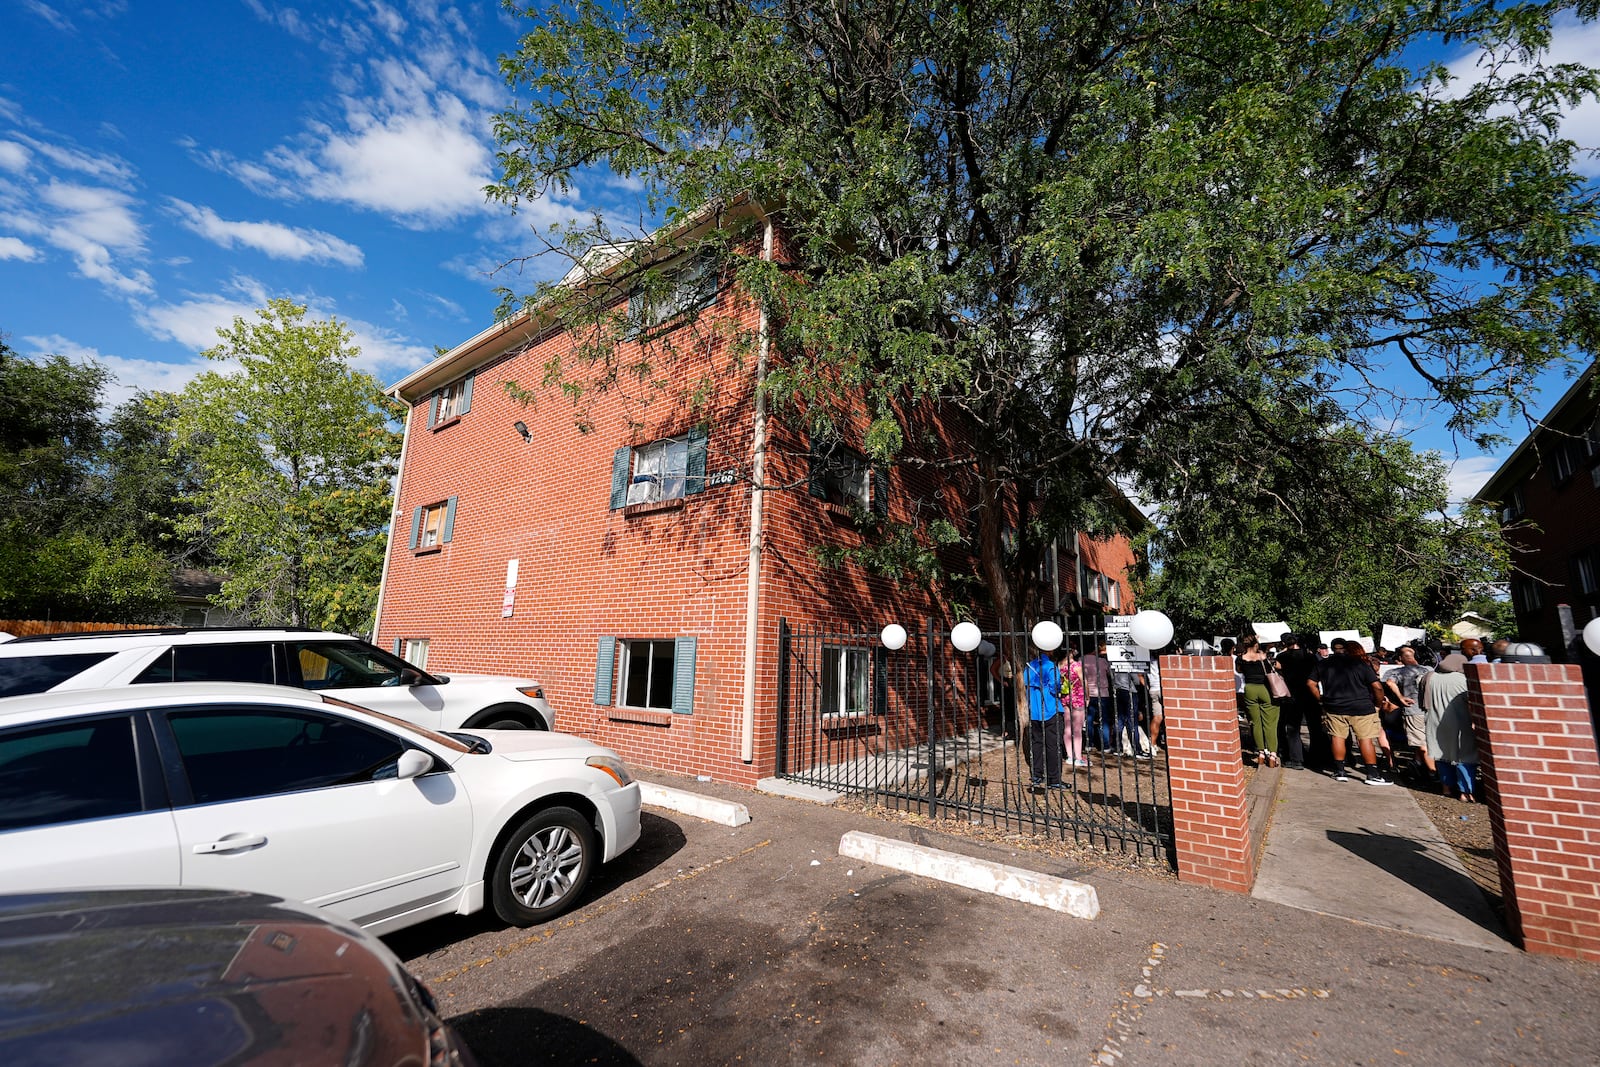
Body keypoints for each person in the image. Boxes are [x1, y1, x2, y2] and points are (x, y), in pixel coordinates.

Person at [1308, 639, 1391, 785]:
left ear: (1332, 648)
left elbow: (1310, 683)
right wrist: (1377, 704)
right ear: (1346, 648)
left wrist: (1321, 700)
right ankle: (1372, 774)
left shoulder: (1323, 664)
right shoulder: (1359, 664)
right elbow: (1377, 687)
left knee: (1337, 737)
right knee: (1365, 739)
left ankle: (1340, 771)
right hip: (1362, 707)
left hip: (1334, 706)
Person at [1422, 653, 1478, 801]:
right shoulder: (1465, 680)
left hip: (1435, 723)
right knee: (1465, 757)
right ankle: (1465, 793)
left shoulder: (1430, 677)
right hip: (1461, 724)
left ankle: (1446, 788)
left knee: (1442, 755)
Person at [1388, 645, 1435, 785]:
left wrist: (1400, 697)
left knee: (1421, 743)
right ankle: (1419, 764)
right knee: (1428, 741)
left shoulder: (1397, 671)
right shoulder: (1429, 670)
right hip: (1432, 710)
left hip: (1413, 710)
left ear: (1401, 658)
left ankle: (1433, 773)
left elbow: (1390, 683)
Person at [1275, 633, 1321, 770]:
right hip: (1310, 694)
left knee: (1293, 728)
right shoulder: (1310, 656)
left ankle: (1296, 759)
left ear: (1284, 643)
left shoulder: (1282, 656)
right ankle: (1317, 758)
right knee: (1315, 727)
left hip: (1292, 695)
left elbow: (1278, 668)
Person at [1022, 648, 1065, 791]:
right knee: (1054, 745)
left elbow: (1026, 685)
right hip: (1051, 709)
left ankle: (1037, 774)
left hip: (1034, 711)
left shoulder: (1029, 666)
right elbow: (1055, 688)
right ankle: (1054, 779)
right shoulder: (1051, 666)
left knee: (1037, 744)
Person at [1236, 635, 1280, 767]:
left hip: (1249, 689)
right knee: (1270, 723)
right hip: (1264, 688)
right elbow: (1273, 668)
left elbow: (1239, 671)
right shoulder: (1263, 657)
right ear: (1256, 644)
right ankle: (1272, 755)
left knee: (1255, 723)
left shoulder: (1240, 658)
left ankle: (1261, 752)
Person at [1060, 647, 1088, 770]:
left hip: (1065, 698)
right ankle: (1078, 757)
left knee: (1067, 728)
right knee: (1077, 730)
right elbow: (1084, 682)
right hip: (1078, 698)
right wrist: (1088, 696)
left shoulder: (1060, 666)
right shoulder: (1077, 666)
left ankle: (1069, 756)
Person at [1082, 643, 1113, 753]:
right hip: (1103, 693)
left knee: (1089, 720)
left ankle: (1088, 744)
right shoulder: (1102, 661)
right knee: (1103, 720)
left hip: (1088, 694)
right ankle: (1105, 746)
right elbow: (1110, 674)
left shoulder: (1081, 660)